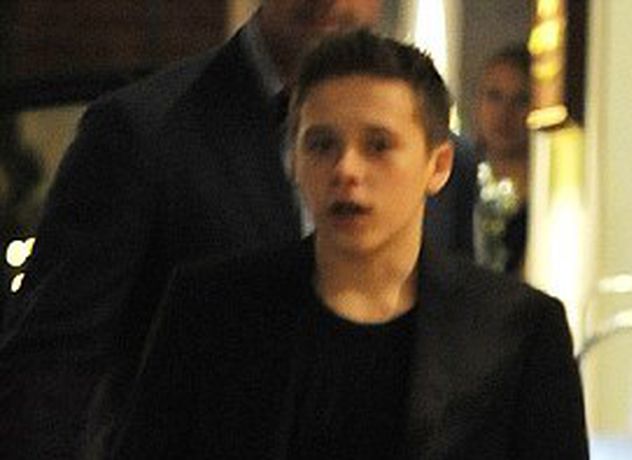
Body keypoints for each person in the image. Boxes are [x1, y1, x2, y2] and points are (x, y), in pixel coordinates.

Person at [0, 1, 477, 458]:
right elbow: (53, 368)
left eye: (377, 145)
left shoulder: (432, 162)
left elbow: (451, 357)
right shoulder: (143, 133)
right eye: (320, 145)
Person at [115, 30, 589, 459]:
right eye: (321, 145)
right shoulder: (211, 310)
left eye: (378, 145)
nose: (346, 170)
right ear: (293, 160)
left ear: (438, 165)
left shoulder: (518, 330)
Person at [471, 44, 530, 274]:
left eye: (521, 100)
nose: (505, 113)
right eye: (494, 96)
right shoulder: (457, 182)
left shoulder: (546, 197)